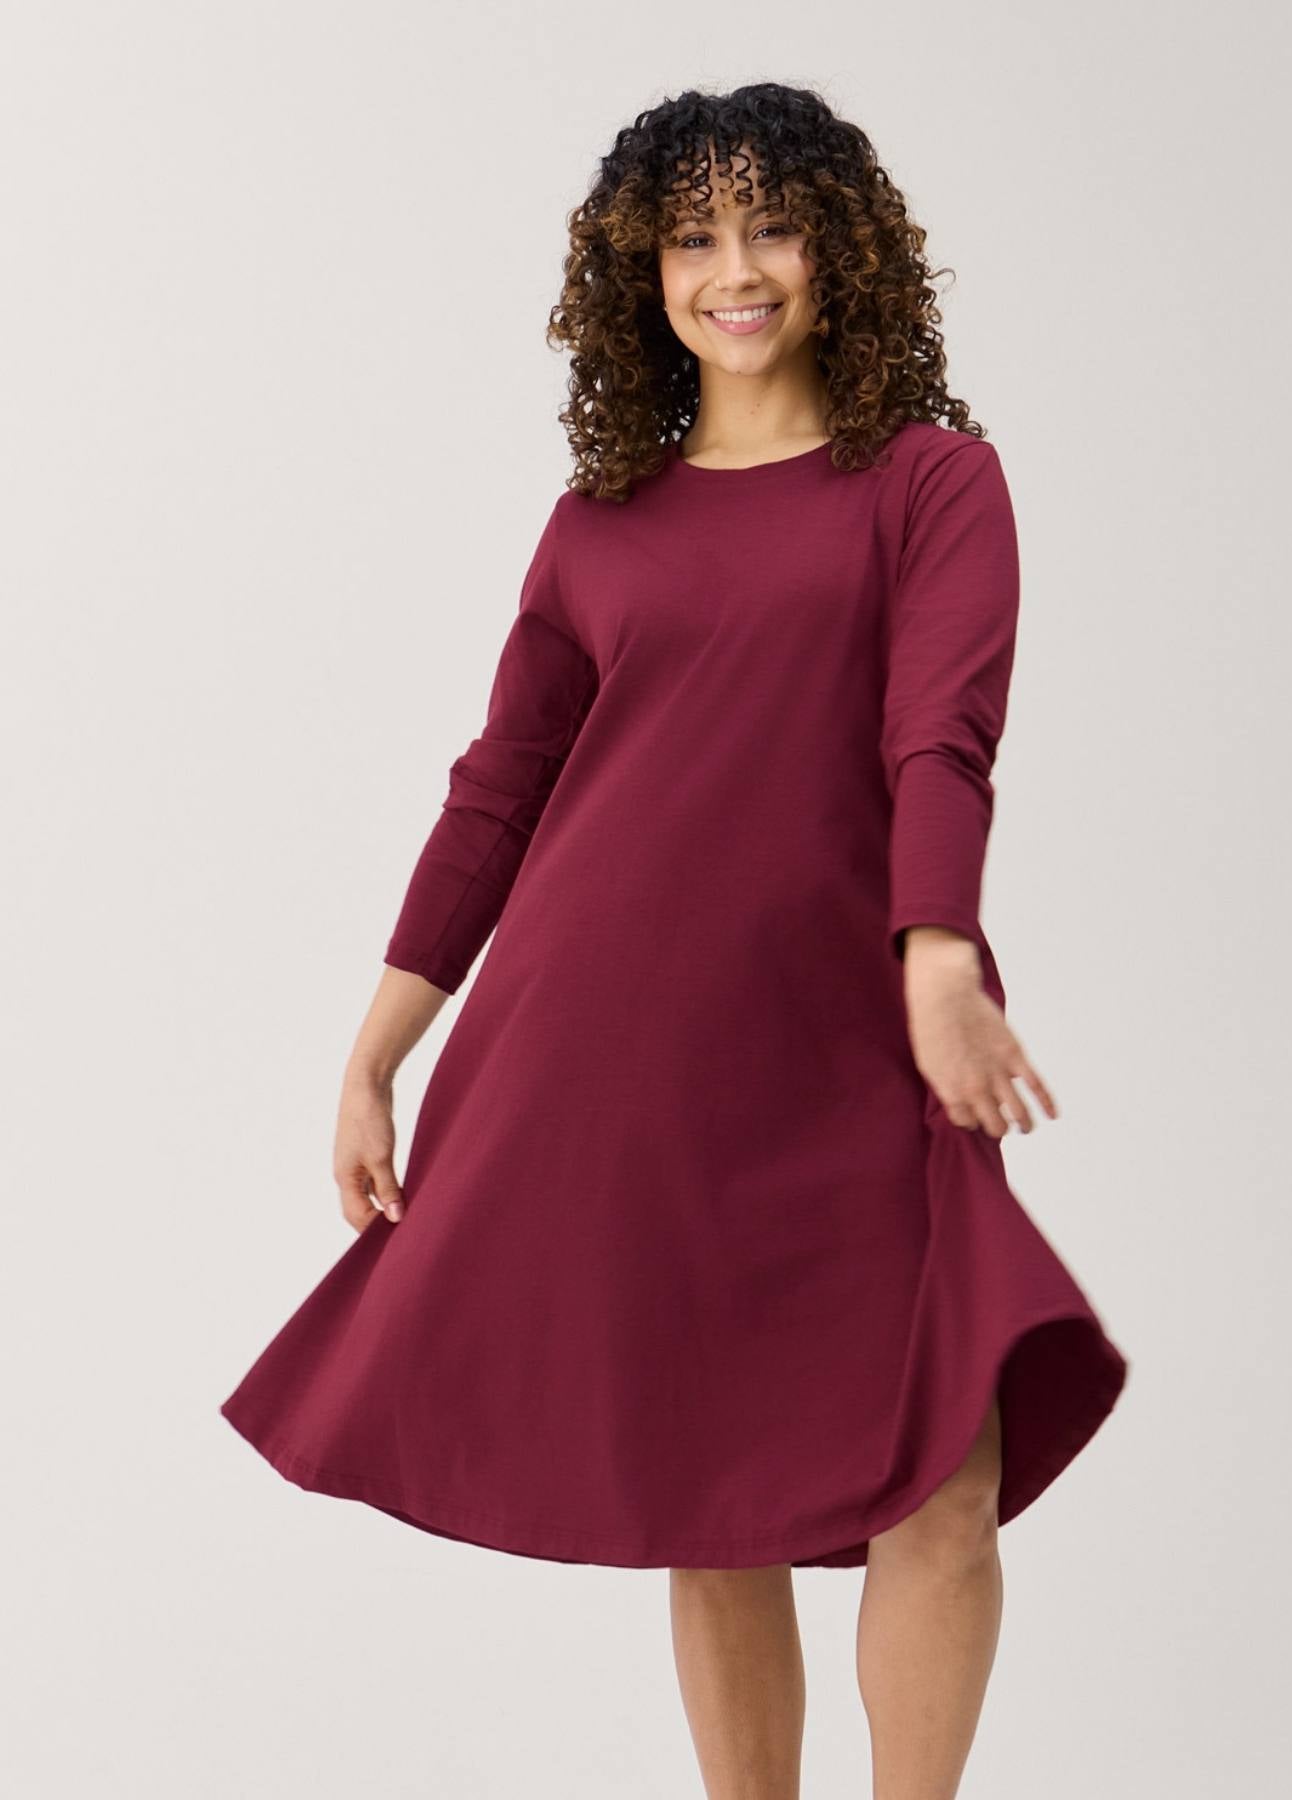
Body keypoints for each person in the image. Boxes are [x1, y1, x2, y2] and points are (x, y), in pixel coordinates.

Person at [221, 82, 1129, 1799]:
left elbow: (941, 734)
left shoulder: (932, 482)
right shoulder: (600, 523)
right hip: (625, 1043)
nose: (736, 271)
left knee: (944, 1483)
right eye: (693, 237)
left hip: (871, 1033)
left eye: (772, 226)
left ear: (840, 250)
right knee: (716, 1492)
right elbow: (501, 790)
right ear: (640, 273)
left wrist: (939, 949)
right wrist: (377, 1049)